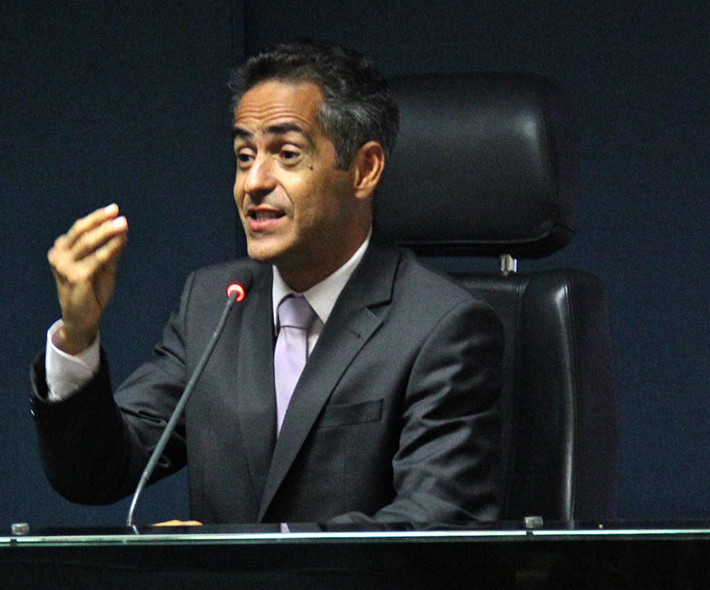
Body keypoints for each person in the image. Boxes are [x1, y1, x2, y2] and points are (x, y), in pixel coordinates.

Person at [30, 40, 504, 525]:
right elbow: (95, 472)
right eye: (243, 155)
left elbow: (433, 525)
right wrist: (78, 337)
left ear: (364, 170)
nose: (253, 181)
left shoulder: (441, 328)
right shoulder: (213, 305)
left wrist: (233, 557)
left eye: (287, 153)